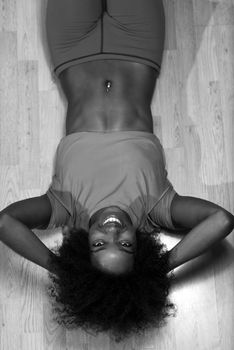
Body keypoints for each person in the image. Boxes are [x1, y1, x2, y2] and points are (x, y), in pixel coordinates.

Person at [0, 0, 233, 341]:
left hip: (72, 47)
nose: (112, 232)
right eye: (125, 246)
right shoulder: (156, 208)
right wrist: (160, 269)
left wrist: (58, 268)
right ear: (140, 250)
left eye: (98, 245)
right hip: (138, 45)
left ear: (83, 250)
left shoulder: (65, 207)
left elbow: (5, 222)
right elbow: (223, 221)